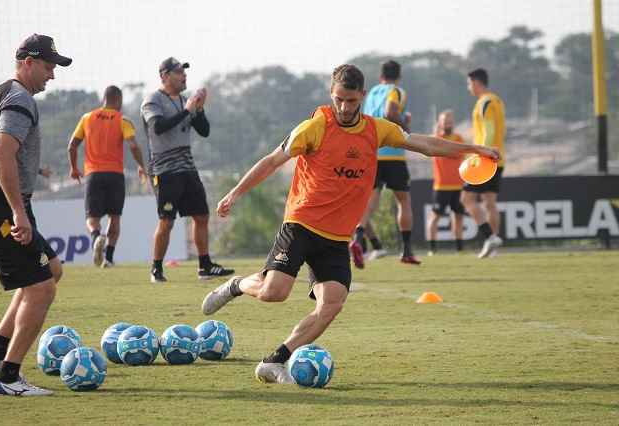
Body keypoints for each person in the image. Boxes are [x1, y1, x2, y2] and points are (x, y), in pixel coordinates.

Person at [200, 64, 501, 384]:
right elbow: (272, 161)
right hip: (301, 223)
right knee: (274, 293)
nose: (344, 108)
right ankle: (236, 285)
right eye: (339, 100)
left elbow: (429, 146)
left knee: (332, 303)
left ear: (363, 97)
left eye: (351, 101)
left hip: (336, 237)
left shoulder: (377, 130)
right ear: (331, 94)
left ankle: (274, 362)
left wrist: (476, 148)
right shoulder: (314, 128)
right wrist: (235, 193)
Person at [0, 34, 70, 397]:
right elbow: (2, 155)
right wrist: (19, 212)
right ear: (27, 62)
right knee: (41, 287)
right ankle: (9, 378)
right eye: (48, 68)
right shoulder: (19, 99)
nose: (51, 76)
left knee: (53, 269)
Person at [141, 57, 234, 283]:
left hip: (187, 167)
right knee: (167, 220)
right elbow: (158, 127)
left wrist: (199, 110)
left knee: (201, 215)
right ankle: (156, 269)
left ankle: (205, 266)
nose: (184, 75)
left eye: (184, 71)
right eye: (178, 72)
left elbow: (204, 131)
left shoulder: (186, 101)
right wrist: (186, 110)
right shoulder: (152, 100)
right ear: (165, 76)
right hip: (164, 170)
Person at [68, 85, 148, 268]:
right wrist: (141, 166)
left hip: (93, 174)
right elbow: (134, 145)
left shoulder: (87, 118)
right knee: (114, 217)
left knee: (92, 218)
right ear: (118, 101)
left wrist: (74, 168)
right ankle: (109, 259)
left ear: (104, 99)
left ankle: (97, 237)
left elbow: (72, 146)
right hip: (115, 174)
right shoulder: (123, 119)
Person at [351, 60, 419, 270]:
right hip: (394, 153)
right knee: (403, 201)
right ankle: (406, 250)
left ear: (381, 76)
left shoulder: (369, 94)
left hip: (372, 151)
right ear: (398, 77)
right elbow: (390, 113)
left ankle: (359, 237)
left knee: (370, 200)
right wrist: (406, 127)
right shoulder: (397, 90)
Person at [461, 68, 506, 259]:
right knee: (489, 202)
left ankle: (490, 237)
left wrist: (481, 154)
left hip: (486, 159)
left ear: (477, 82)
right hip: (498, 157)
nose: (469, 88)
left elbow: (489, 131)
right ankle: (493, 248)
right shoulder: (497, 100)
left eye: (469, 84)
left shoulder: (485, 102)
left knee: (466, 200)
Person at [0, 166, 53, 270]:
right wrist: (41, 171)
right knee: (20, 224)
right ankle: (42, 259)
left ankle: (41, 258)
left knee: (16, 225)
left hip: (17, 193)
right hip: (14, 193)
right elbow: (16, 161)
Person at [426, 110, 466, 256]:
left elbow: (466, 160)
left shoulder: (460, 139)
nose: (448, 125)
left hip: (458, 186)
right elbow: (426, 148)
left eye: (450, 122)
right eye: (445, 122)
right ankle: (432, 248)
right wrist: (435, 133)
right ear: (440, 123)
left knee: (459, 216)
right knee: (435, 216)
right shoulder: (436, 139)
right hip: (441, 186)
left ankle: (459, 249)